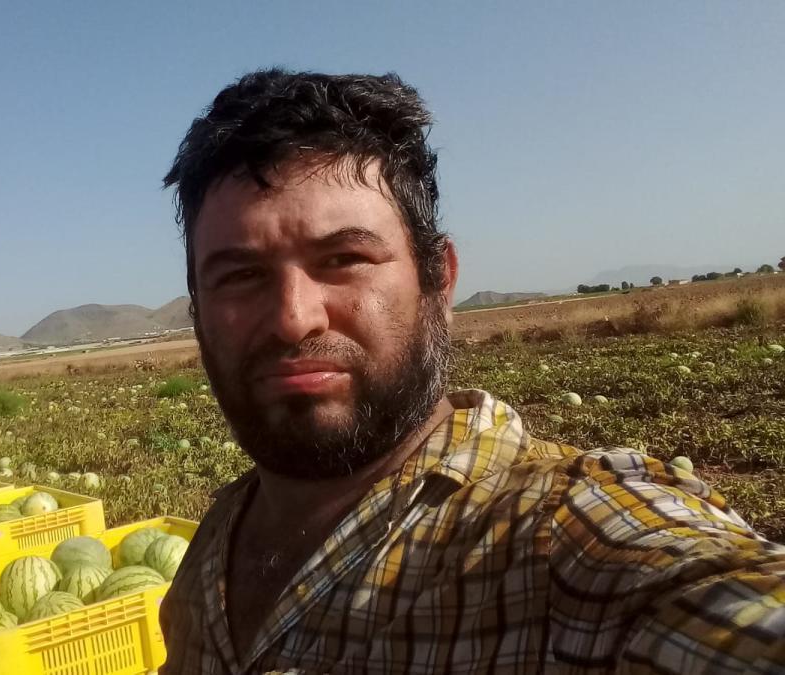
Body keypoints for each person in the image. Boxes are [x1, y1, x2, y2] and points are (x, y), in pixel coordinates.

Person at [158, 69, 785, 674]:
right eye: (239, 275)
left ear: (439, 281)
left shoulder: (561, 541)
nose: (293, 319)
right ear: (198, 308)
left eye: (345, 258)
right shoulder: (212, 547)